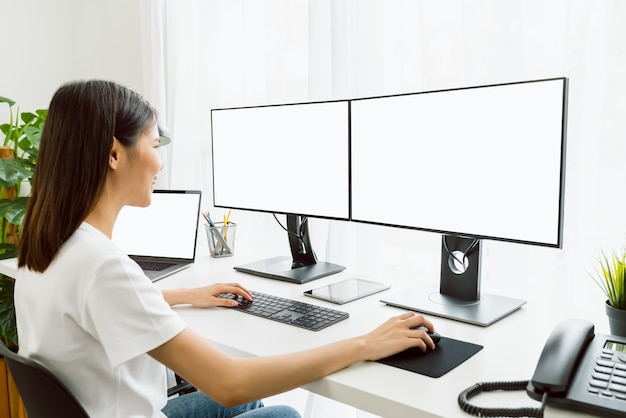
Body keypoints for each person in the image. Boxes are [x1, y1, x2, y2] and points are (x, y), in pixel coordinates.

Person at [14, 79, 437, 418]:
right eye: (153, 145)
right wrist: (366, 343)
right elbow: (230, 380)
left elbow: (94, 303)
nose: (159, 163)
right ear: (113, 154)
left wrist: (182, 295)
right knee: (281, 414)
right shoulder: (102, 265)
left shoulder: (48, 245)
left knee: (248, 405)